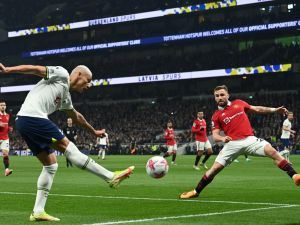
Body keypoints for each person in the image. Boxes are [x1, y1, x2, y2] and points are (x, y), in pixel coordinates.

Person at [0, 63, 134, 221]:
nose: (89, 85)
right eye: (88, 80)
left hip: (25, 121)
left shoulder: (65, 96)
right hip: (32, 117)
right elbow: (35, 69)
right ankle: (110, 177)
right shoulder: (61, 74)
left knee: (51, 165)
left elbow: (77, 117)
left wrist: (94, 132)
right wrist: (8, 70)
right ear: (78, 75)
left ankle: (38, 211)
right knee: (70, 148)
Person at [180, 85, 300, 199]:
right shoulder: (216, 116)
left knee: (272, 152)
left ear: (228, 95)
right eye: (217, 95)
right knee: (214, 170)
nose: (220, 97)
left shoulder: (239, 103)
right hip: (232, 144)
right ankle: (196, 192)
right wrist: (223, 138)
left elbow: (256, 109)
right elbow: (215, 136)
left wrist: (274, 110)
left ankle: (295, 176)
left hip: (250, 140)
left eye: (222, 94)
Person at [0, 100, 13, 176]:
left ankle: (7, 170)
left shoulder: (8, 115)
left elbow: (7, 125)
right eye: (1, 105)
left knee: (5, 155)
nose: (3, 106)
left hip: (5, 138)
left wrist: (9, 128)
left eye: (4, 105)